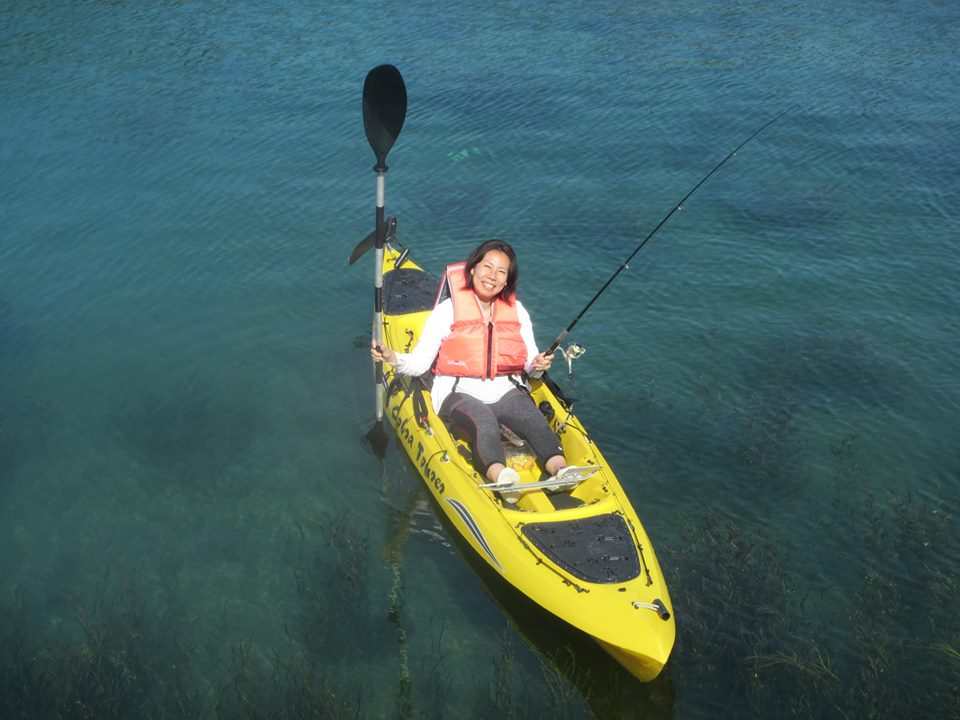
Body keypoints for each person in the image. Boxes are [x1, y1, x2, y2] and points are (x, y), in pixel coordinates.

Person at [371, 239, 576, 488]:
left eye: (501, 272)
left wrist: (539, 365)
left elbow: (529, 368)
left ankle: (561, 469)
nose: (492, 276)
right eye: (487, 267)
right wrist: (392, 358)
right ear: (472, 269)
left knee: (532, 418)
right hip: (458, 392)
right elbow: (419, 363)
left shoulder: (518, 311)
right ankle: (500, 477)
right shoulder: (448, 311)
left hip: (505, 389)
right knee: (483, 421)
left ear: (507, 281)